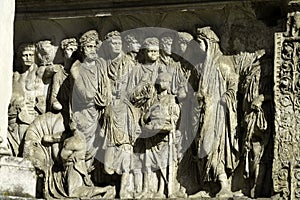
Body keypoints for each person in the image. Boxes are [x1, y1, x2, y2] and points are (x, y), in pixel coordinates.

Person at [194, 26, 239, 198]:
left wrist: (224, 99)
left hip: (218, 114)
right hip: (204, 113)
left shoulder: (221, 62)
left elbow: (233, 83)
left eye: (199, 43)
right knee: (203, 147)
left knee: (214, 147)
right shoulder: (202, 66)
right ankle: (208, 186)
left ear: (209, 43)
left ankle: (224, 185)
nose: (197, 47)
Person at [101, 30, 140, 199]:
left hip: (125, 111)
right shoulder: (106, 64)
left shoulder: (129, 63)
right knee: (108, 160)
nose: (115, 46)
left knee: (125, 148)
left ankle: (123, 189)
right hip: (110, 111)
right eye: (112, 44)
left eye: (118, 43)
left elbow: (137, 85)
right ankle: (111, 186)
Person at [70, 30, 110, 171]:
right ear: (82, 49)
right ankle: (80, 175)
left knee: (96, 145)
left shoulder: (101, 64)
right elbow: (85, 94)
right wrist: (98, 97)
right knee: (83, 145)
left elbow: (107, 85)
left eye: (94, 46)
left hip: (99, 112)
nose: (92, 50)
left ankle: (89, 174)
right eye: (88, 47)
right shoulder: (77, 68)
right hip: (84, 113)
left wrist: (105, 99)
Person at [8, 43, 46, 156]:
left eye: (31, 55)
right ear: (20, 57)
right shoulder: (16, 76)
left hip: (32, 115)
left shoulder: (39, 73)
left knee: (29, 147)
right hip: (16, 116)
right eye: (25, 55)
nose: (28, 58)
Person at [50, 38, 78, 112]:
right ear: (63, 52)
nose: (73, 52)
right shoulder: (59, 74)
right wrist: (56, 103)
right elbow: (53, 97)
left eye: (75, 50)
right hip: (64, 109)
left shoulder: (81, 70)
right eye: (70, 49)